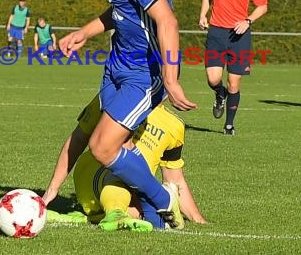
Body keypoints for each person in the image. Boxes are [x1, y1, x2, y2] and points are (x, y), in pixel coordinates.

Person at [44, 0, 196, 230]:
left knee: (102, 146)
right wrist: (86, 31)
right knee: (107, 141)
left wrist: (170, 80)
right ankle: (157, 219)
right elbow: (124, 9)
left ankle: (161, 198)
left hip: (144, 70)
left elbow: (167, 20)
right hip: (118, 65)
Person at [72, 99, 207, 231]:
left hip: (134, 193)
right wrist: (53, 189)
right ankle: (115, 214)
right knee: (123, 170)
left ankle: (105, 216)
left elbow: (175, 179)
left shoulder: (174, 125)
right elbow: (78, 138)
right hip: (93, 173)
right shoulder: (114, 98)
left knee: (147, 212)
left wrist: (198, 219)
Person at [198, 0, 268, 135]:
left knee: (234, 83)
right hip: (216, 33)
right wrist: (203, 14)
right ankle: (219, 95)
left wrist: (247, 21)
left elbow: (263, 5)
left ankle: (229, 125)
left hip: (239, 36)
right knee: (213, 79)